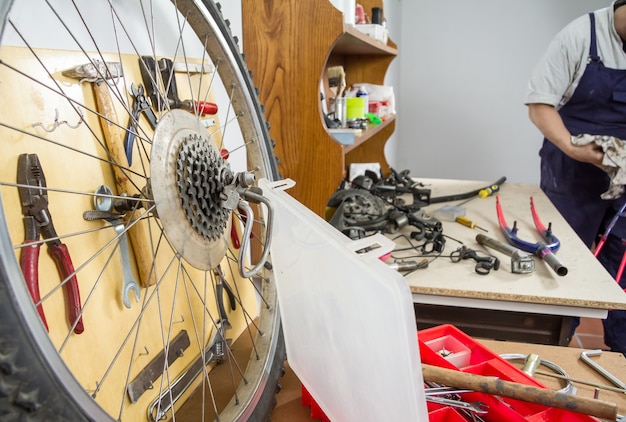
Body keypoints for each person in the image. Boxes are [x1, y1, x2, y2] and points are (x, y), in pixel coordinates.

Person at [525, 0, 626, 355]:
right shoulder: (579, 36)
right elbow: (540, 105)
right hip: (572, 170)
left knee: (624, 269)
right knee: (563, 268)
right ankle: (557, 353)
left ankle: (622, 361)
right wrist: (572, 147)